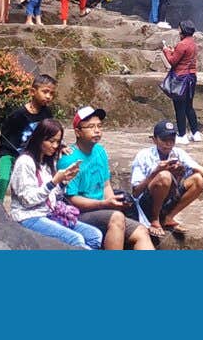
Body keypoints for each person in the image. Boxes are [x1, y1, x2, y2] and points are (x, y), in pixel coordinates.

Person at [59, 107, 153, 250]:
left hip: (102, 209)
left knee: (141, 231)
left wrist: (113, 203)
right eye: (91, 127)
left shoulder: (100, 151)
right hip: (78, 214)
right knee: (116, 218)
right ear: (78, 132)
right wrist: (105, 204)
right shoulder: (69, 159)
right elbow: (72, 200)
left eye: (99, 126)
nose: (97, 130)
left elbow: (106, 185)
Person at [129, 120, 203, 242]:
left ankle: (168, 217)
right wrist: (155, 173)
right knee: (164, 176)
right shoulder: (143, 155)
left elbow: (201, 169)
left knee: (198, 179)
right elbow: (135, 192)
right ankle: (154, 219)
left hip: (168, 200)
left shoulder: (178, 153)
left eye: (172, 140)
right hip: (146, 203)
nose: (168, 144)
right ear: (154, 140)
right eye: (164, 140)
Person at [7, 119, 102, 248]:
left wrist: (63, 182)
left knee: (94, 235)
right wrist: (53, 182)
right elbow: (27, 200)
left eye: (58, 142)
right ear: (39, 139)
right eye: (51, 141)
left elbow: (53, 196)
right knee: (76, 239)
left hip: (48, 213)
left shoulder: (47, 163)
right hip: (28, 216)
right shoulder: (25, 162)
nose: (55, 146)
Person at [0, 74, 57, 200]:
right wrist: (16, 155)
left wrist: (60, 145)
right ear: (33, 92)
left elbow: (51, 133)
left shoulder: (47, 113)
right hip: (9, 153)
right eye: (45, 92)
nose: (48, 96)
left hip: (30, 155)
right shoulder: (18, 115)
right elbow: (5, 137)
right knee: (3, 178)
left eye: (51, 93)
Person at [163, 21, 201, 142]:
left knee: (179, 107)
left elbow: (172, 61)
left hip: (181, 79)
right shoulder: (193, 43)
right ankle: (196, 133)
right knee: (189, 106)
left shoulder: (182, 44)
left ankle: (182, 135)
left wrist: (166, 50)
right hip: (191, 77)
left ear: (183, 30)